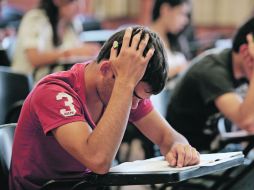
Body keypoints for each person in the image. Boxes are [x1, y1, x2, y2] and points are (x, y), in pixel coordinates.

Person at [9, 26, 200, 190]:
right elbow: (98, 160)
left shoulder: (127, 89)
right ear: (107, 70)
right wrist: (125, 85)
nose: (135, 105)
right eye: (134, 95)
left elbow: (169, 137)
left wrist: (179, 148)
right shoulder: (54, 92)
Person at [166, 17, 254, 151]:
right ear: (245, 51)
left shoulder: (244, 72)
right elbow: (247, 121)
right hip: (187, 154)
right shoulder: (212, 70)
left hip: (216, 148)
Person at [11, 0, 100, 82]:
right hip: (28, 82)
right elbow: (34, 58)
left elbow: (75, 51)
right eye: (73, 2)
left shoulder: (72, 23)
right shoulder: (35, 18)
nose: (79, 7)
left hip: (52, 80)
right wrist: (71, 52)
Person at [149, 0, 191, 81]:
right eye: (181, 13)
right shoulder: (146, 39)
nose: (186, 20)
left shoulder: (176, 40)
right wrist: (179, 69)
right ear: (165, 10)